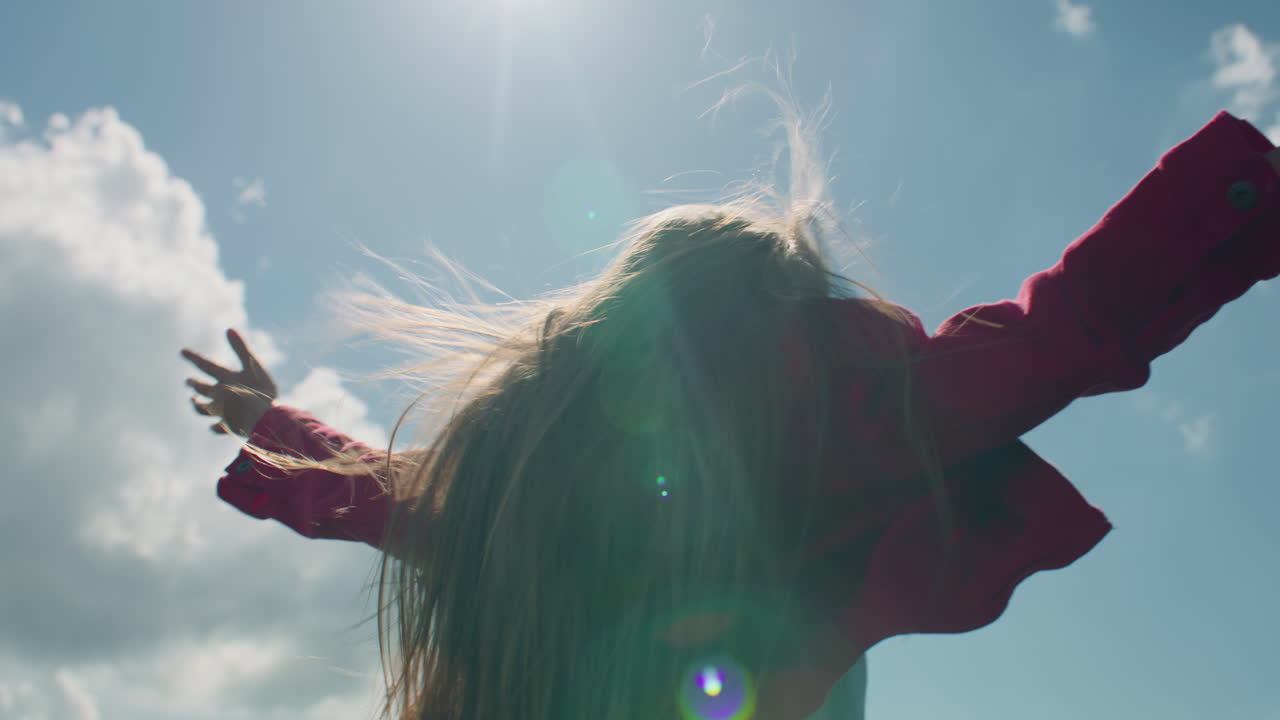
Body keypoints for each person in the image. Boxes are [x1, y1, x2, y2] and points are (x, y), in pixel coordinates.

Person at [183, 104, 1280, 720]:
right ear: (774, 315)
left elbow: (391, 495)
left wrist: (275, 424)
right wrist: (1240, 193)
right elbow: (1061, 329)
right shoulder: (831, 426)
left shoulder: (532, 480)